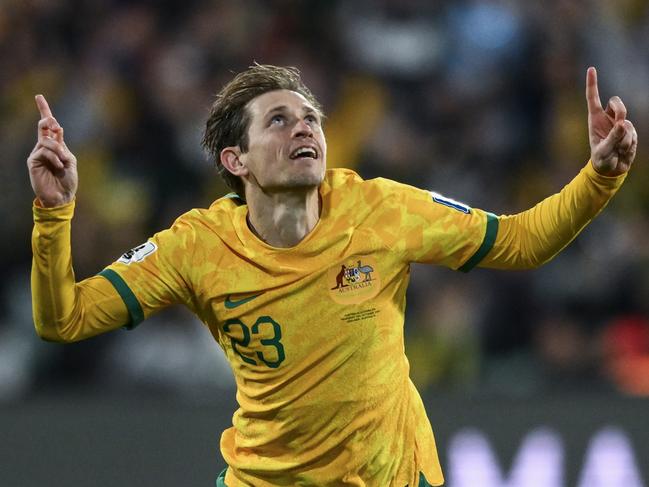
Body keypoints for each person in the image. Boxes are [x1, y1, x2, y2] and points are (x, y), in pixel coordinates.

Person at [28, 64, 637, 487]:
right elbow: (63, 319)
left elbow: (520, 242)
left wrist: (599, 176)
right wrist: (54, 215)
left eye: (311, 118)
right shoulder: (197, 247)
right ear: (234, 162)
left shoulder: (380, 209)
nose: (304, 128)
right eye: (278, 120)